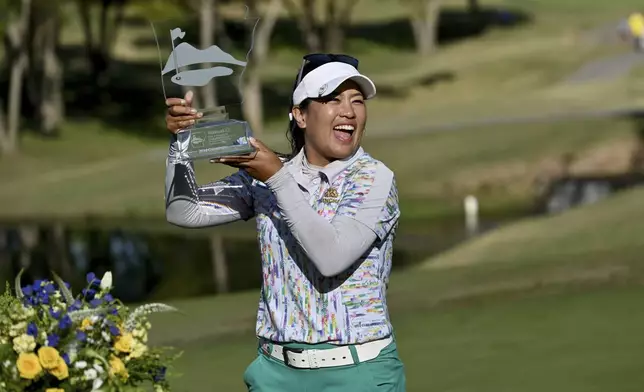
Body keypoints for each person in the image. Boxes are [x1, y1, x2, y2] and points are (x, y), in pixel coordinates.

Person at [164, 53, 406, 391]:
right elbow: (183, 211)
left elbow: (331, 258)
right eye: (332, 99)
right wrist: (180, 145)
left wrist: (276, 178)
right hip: (275, 374)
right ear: (300, 115)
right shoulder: (269, 173)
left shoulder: (374, 178)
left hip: (358, 373)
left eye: (357, 100)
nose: (349, 111)